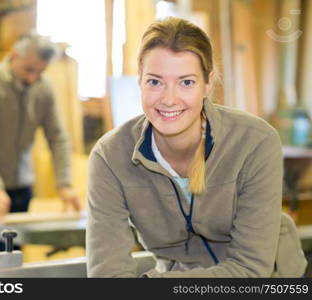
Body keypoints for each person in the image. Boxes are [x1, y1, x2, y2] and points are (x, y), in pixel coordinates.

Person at [86, 17, 307, 277]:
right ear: (140, 81)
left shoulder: (255, 142)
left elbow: (249, 269)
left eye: (186, 82)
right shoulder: (110, 157)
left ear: (208, 83)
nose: (169, 99)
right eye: (155, 82)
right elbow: (107, 273)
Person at [0, 33, 81, 251]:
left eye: (40, 72)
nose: (33, 78)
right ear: (14, 55)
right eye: (29, 69)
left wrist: (64, 184)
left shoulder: (44, 88)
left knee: (13, 257)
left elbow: (58, 138)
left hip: (21, 187)